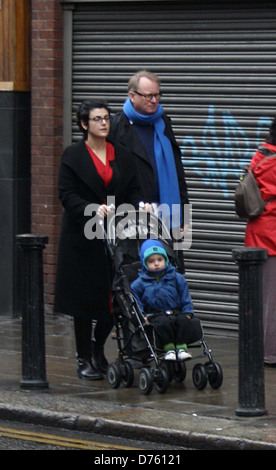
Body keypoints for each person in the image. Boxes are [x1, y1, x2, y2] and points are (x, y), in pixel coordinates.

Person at [54, 99, 142, 380]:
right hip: (82, 236)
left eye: (106, 118)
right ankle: (83, 358)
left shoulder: (123, 155)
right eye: (97, 119)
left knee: (113, 298)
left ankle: (97, 347)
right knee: (84, 301)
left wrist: (141, 205)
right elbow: (66, 195)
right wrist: (92, 209)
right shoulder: (73, 156)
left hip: (115, 236)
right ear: (84, 124)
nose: (104, 123)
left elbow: (134, 190)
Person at [109, 70, 189, 272]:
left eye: (157, 95)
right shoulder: (117, 126)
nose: (154, 100)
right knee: (135, 273)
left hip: (165, 212)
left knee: (168, 271)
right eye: (148, 96)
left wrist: (183, 212)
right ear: (132, 96)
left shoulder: (162, 123)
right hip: (131, 214)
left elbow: (177, 170)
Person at [131, 239, 200, 361]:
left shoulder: (175, 277)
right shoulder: (139, 283)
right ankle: (169, 349)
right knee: (163, 324)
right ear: (145, 263)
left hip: (175, 311)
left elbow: (185, 295)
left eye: (160, 260)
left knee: (184, 321)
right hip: (155, 314)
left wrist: (188, 311)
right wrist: (142, 315)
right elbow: (136, 301)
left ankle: (181, 347)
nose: (156, 264)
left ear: (166, 260)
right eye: (151, 261)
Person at [245, 117, 276, 367]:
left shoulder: (261, 155)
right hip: (273, 235)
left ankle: (263, 349)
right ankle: (271, 353)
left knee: (265, 297)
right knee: (272, 299)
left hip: (258, 232)